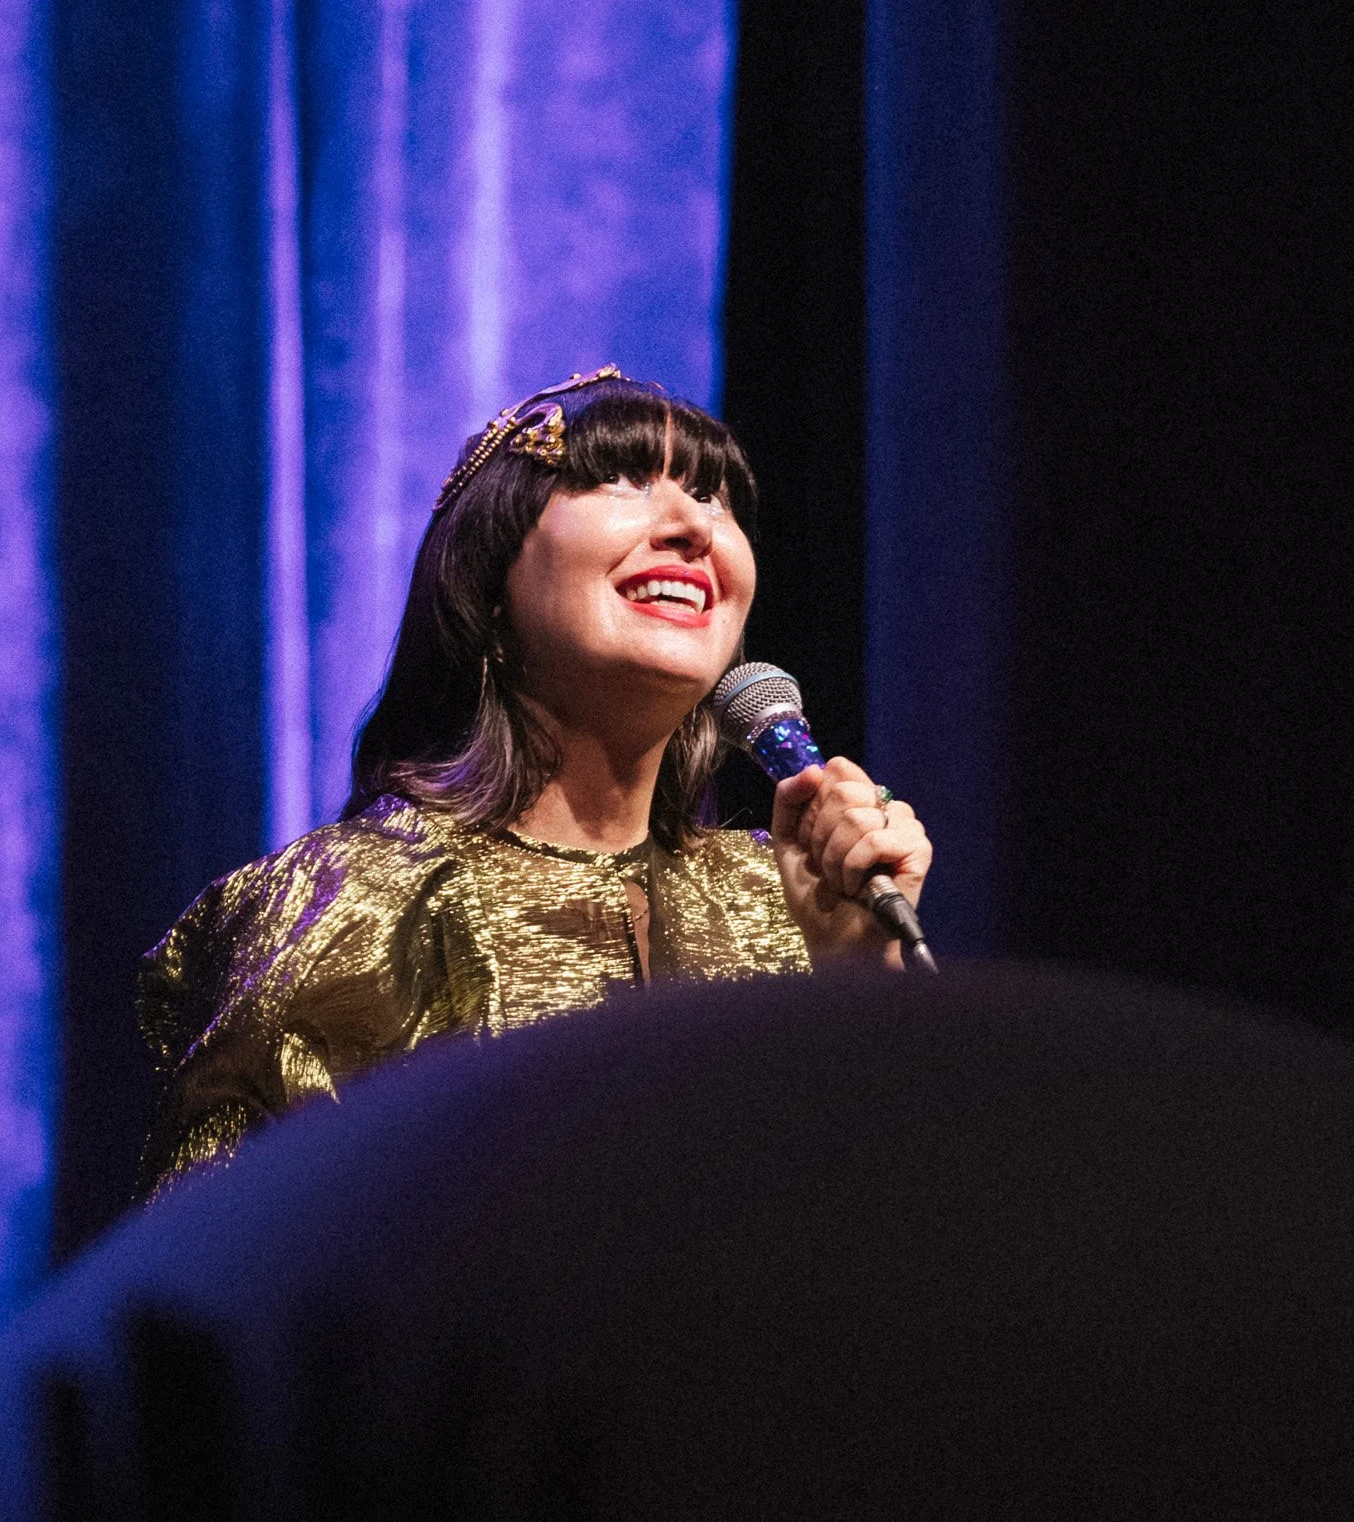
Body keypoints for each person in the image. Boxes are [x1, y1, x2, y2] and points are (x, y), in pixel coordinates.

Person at [136, 367, 932, 1194]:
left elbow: (905, 1240)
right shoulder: (343, 905)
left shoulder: (788, 897)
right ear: (486, 586)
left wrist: (858, 974)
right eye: (621, 479)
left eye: (716, 498)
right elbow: (209, 1279)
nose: (693, 526)